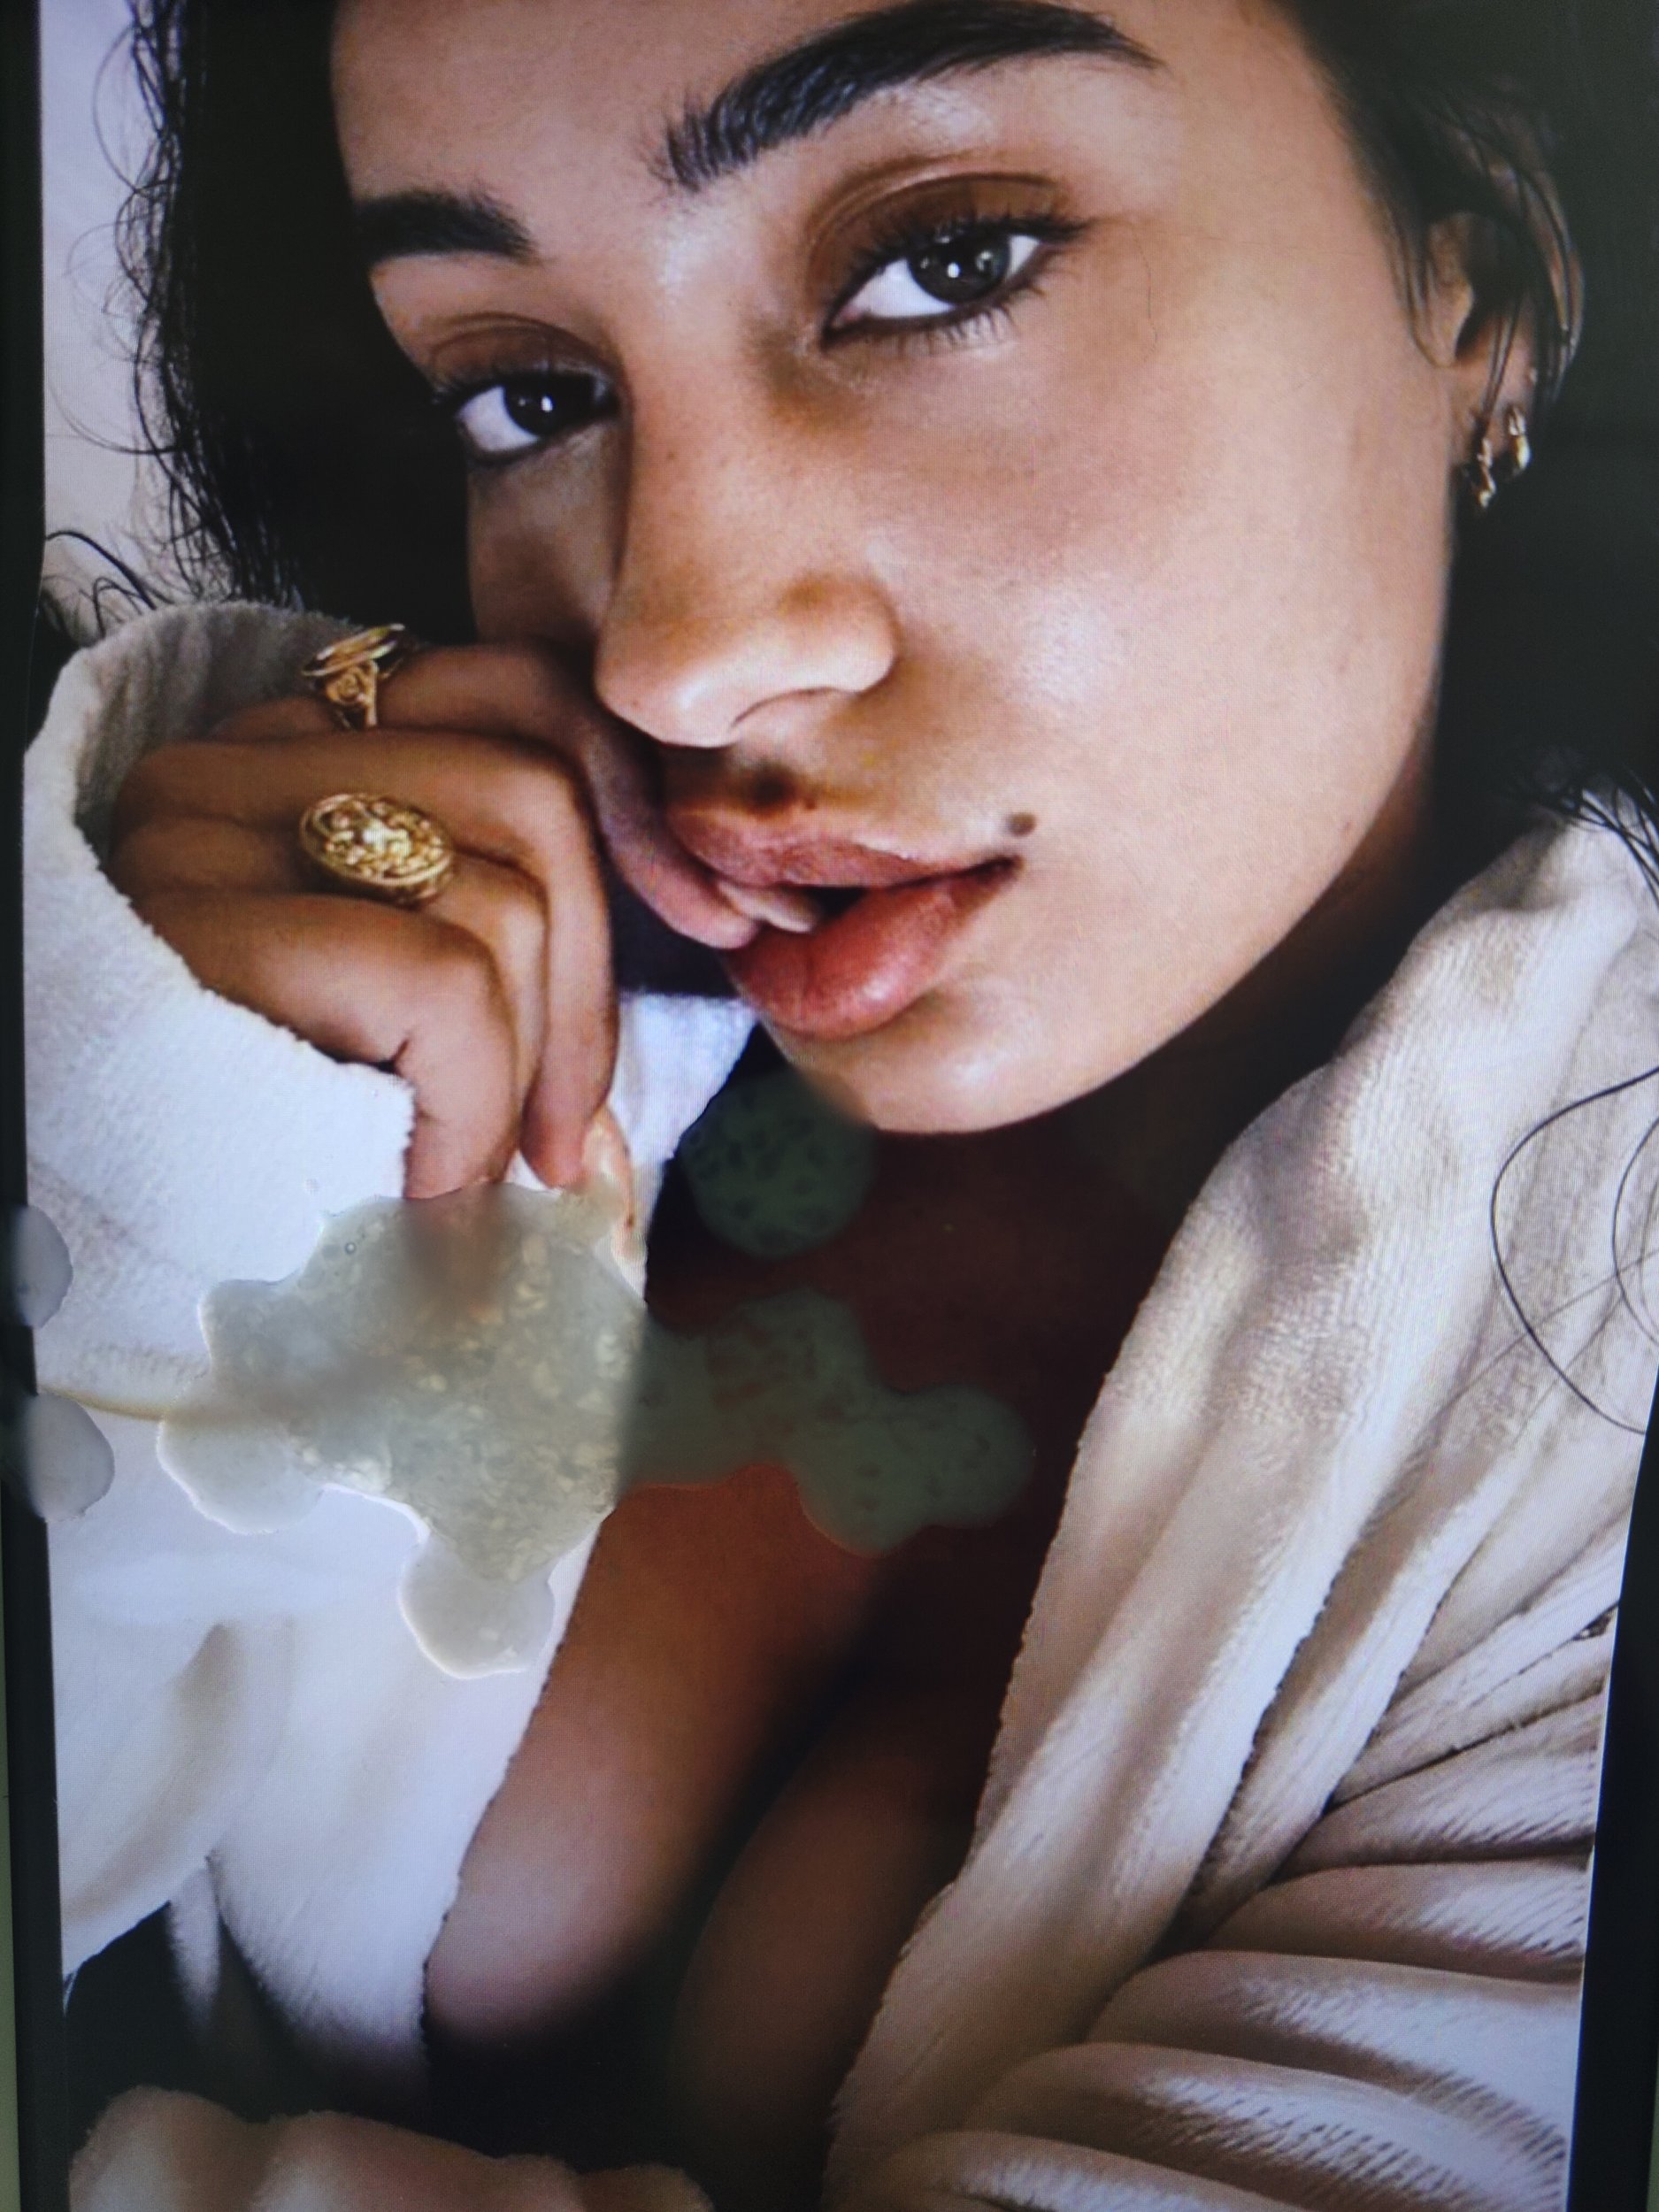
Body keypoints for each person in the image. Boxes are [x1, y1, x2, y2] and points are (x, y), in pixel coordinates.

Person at [26, 0, 1659, 2205]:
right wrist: (130, 1160)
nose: (673, 652)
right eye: (529, 392)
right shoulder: (211, 979)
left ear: (1481, 265)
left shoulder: (1605, 1359)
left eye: (944, 261)